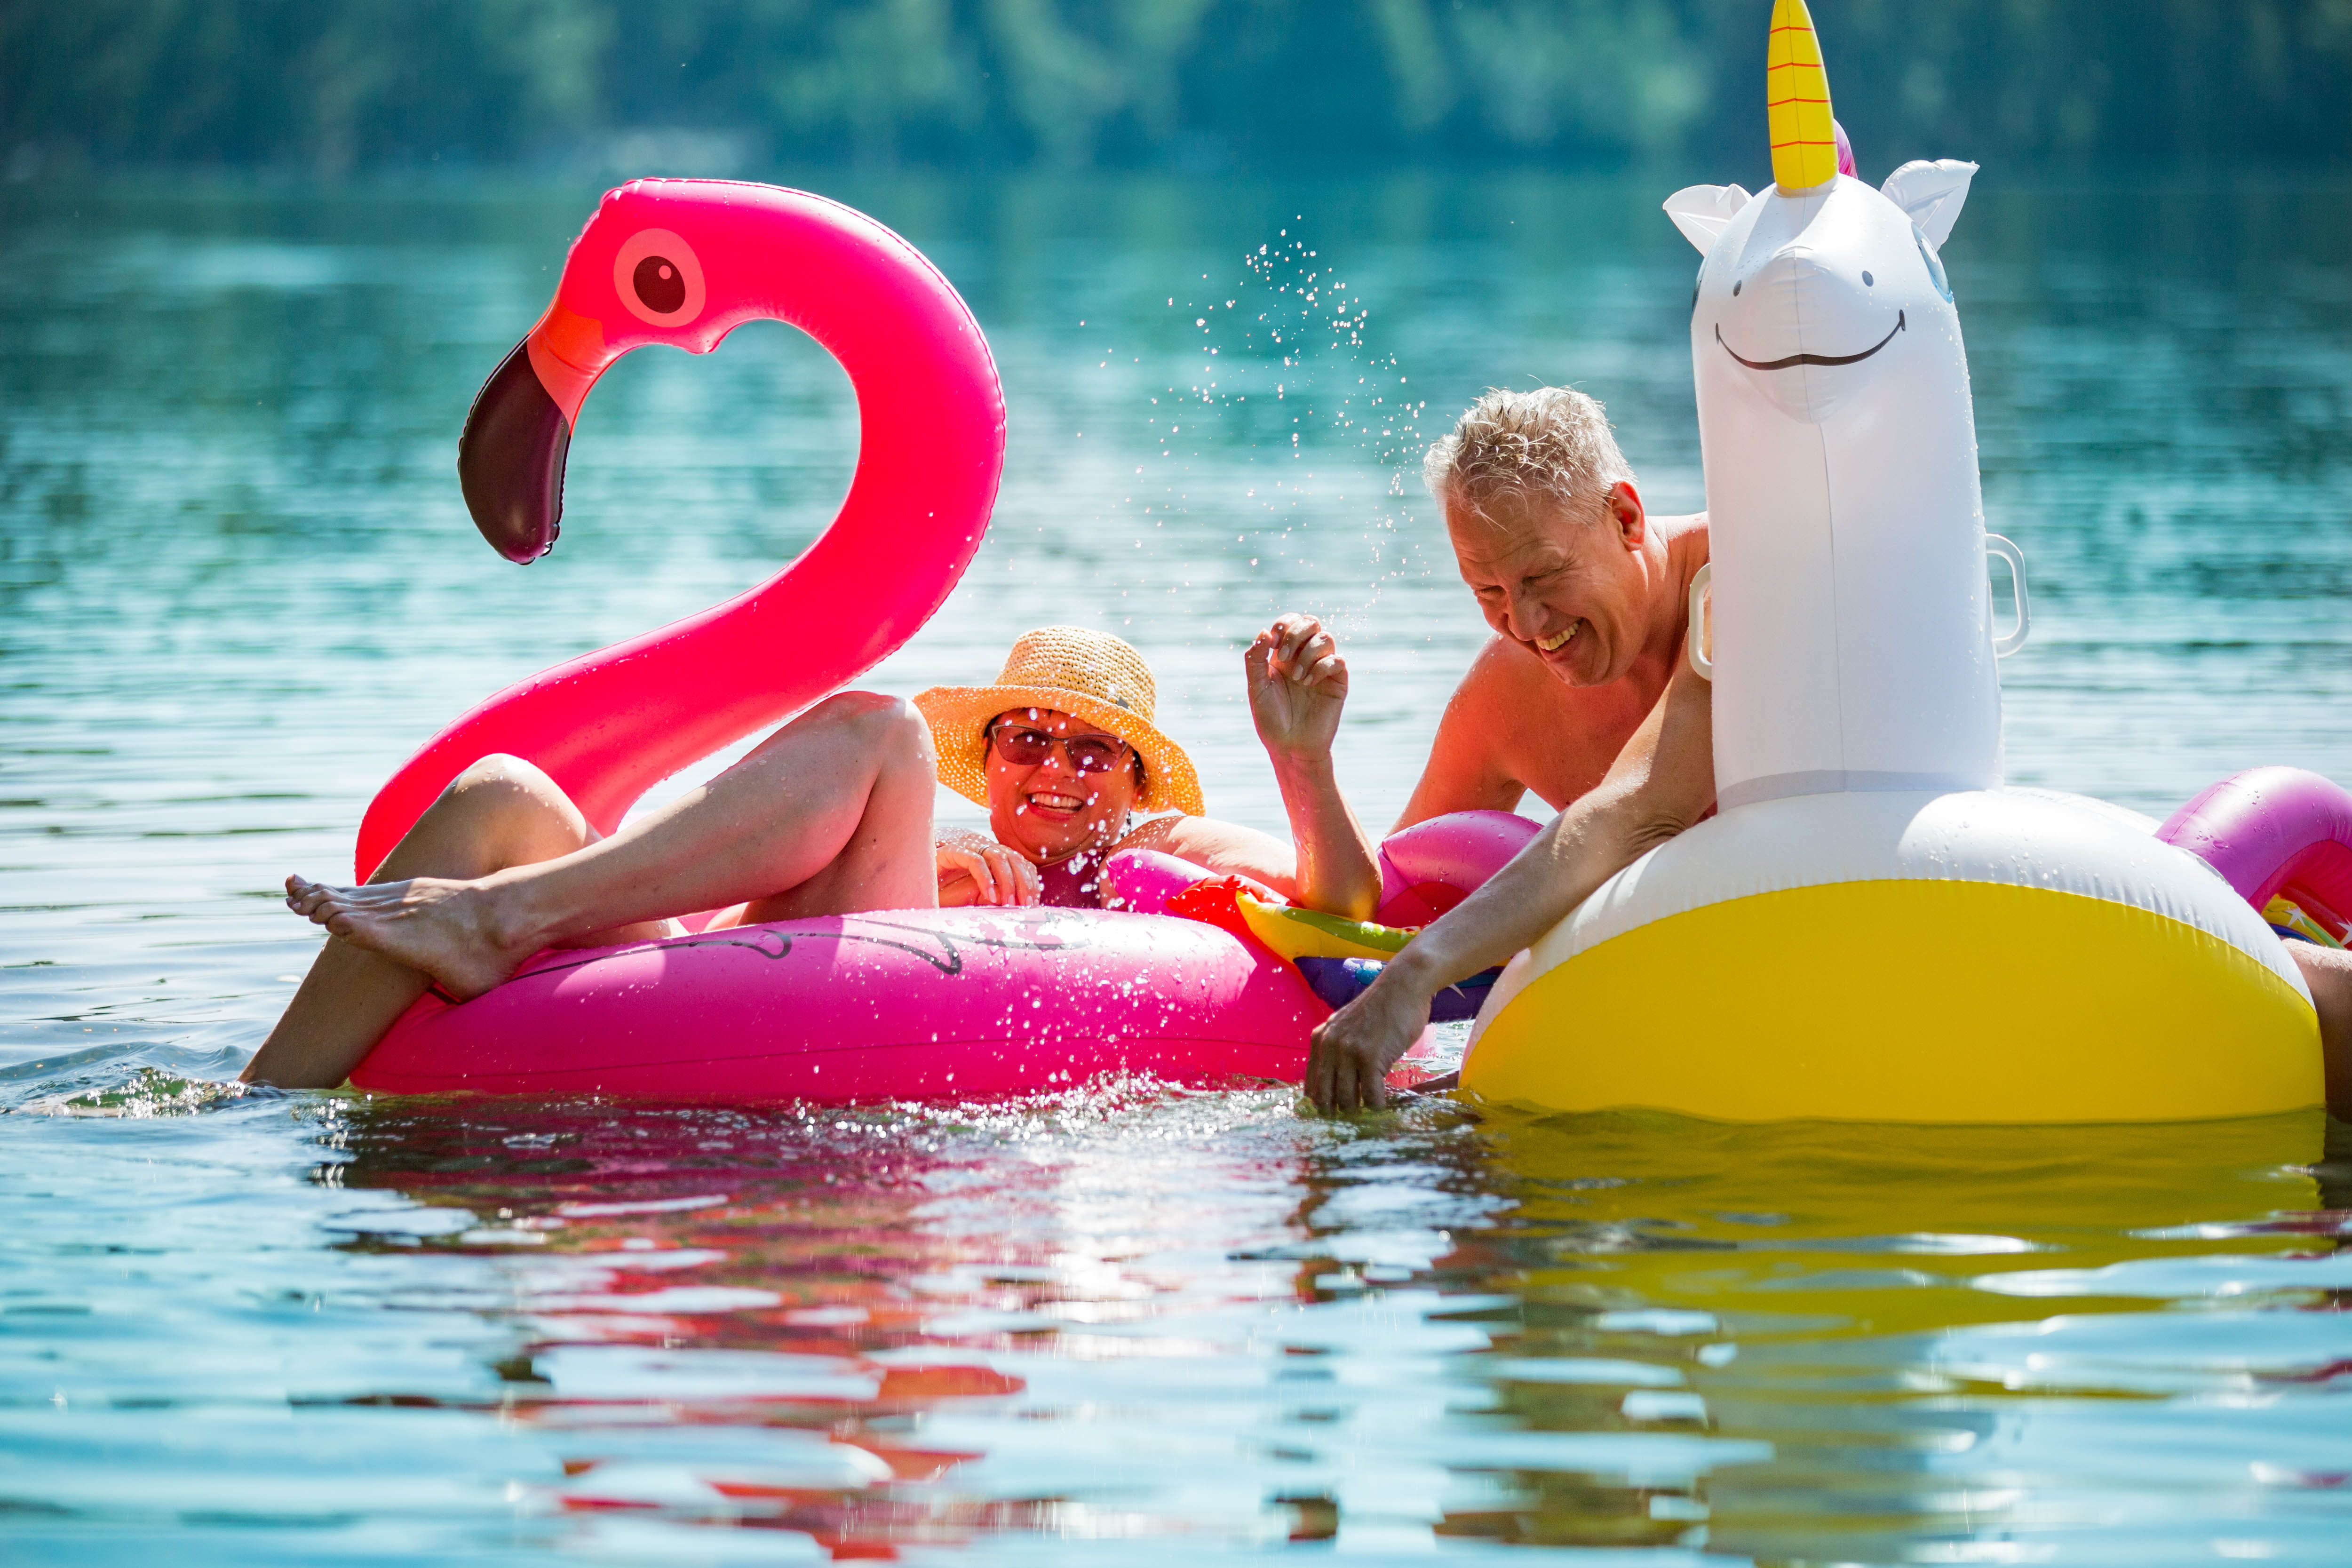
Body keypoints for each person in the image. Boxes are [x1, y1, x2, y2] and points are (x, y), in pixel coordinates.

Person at [245, 618, 1379, 1091]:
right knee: (502, 794)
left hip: (870, 1039)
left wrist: (1304, 763)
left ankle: (498, 921)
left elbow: (1338, 907)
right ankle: (255, 1102)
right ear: (986, 765)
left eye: (1095, 754)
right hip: (752, 985)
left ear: (1135, 783)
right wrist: (920, 855)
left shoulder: (1150, 847)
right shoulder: (941, 844)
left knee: (879, 728)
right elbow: (692, 886)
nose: (1055, 769)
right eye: (1026, 738)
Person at [1395, 386, 1709, 830]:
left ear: (1625, 517)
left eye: (1542, 576)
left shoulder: (1747, 575)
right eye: (1488, 592)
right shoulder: (1507, 695)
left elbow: (1642, 817)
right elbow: (1397, 883)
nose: (1523, 625)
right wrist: (1306, 765)